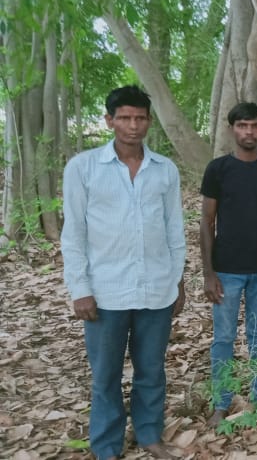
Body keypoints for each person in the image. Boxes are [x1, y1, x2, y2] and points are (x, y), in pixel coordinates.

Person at [61, 85, 186, 460]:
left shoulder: (164, 169)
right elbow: (74, 233)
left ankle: (148, 434)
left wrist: (177, 281)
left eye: (140, 118)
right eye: (125, 118)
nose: (133, 126)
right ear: (109, 120)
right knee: (106, 376)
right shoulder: (83, 168)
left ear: (149, 121)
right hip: (105, 292)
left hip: (156, 289)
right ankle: (106, 445)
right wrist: (79, 288)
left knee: (151, 370)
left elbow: (173, 229)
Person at [200, 102, 257, 427]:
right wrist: (208, 273)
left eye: (254, 126)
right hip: (226, 271)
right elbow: (207, 222)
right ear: (232, 129)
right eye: (242, 126)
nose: (249, 132)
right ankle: (221, 402)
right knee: (223, 338)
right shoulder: (218, 169)